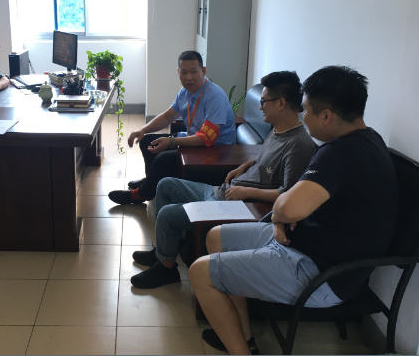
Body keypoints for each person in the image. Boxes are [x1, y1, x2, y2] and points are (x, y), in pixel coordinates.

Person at [189, 66, 399, 355]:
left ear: (326, 116)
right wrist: (281, 218)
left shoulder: (339, 154)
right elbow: (293, 204)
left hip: (319, 273)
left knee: (199, 273)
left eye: (306, 110)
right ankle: (245, 339)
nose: (302, 116)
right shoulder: (369, 140)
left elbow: (288, 205)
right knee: (215, 237)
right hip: (302, 244)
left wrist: (282, 215)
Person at [130, 71, 316, 290]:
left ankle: (166, 270)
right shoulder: (278, 130)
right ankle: (163, 252)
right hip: (225, 191)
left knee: (168, 215)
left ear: (281, 103)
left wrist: (247, 192)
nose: (260, 107)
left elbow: (289, 195)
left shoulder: (298, 146)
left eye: (264, 102)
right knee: (165, 185)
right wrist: (244, 166)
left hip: (238, 205)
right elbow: (265, 159)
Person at [108, 50, 235, 205]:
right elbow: (168, 116)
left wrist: (172, 142)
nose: (189, 77)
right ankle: (151, 181)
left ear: (203, 71)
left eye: (194, 71)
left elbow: (206, 138)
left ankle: (141, 194)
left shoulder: (215, 96)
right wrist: (142, 130)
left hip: (214, 151)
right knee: (147, 141)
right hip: (194, 141)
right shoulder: (185, 92)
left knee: (163, 158)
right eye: (184, 72)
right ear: (178, 73)